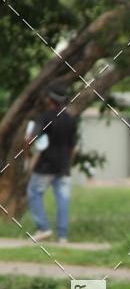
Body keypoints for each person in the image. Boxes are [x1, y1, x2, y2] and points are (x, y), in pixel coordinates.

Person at [26, 82, 78, 243]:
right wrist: (67, 162)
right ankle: (63, 236)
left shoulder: (44, 118)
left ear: (49, 99)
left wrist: (28, 151)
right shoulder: (70, 119)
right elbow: (72, 147)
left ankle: (43, 228)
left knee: (34, 193)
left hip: (45, 164)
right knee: (63, 198)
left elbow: (31, 138)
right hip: (63, 165)